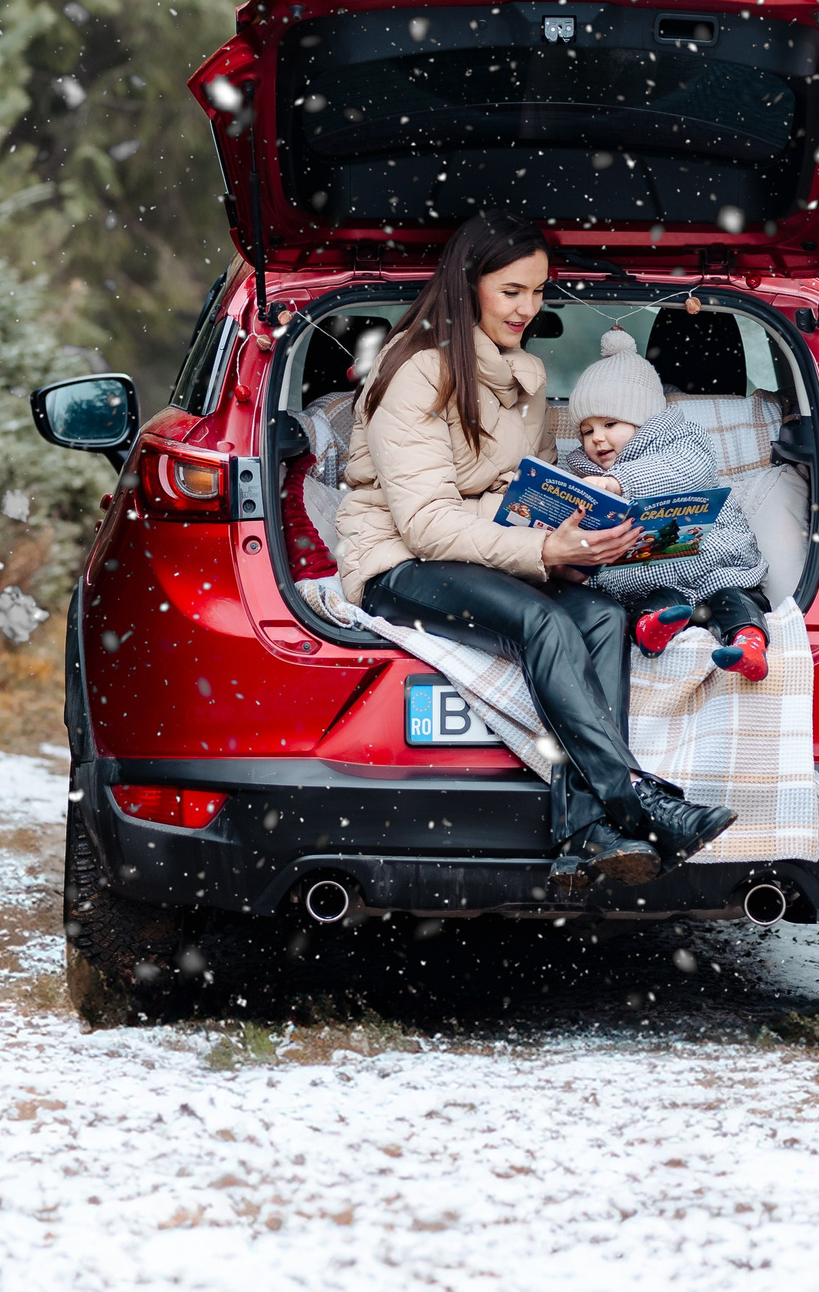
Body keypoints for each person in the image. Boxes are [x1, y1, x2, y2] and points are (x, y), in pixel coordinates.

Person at [331, 215, 738, 895]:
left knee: (602, 614)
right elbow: (425, 524)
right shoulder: (416, 371)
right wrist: (543, 548)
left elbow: (529, 494)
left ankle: (587, 836)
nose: (529, 308)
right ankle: (634, 799)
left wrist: (578, 543)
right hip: (397, 561)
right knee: (543, 622)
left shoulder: (526, 378)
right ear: (468, 285)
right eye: (512, 290)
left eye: (540, 291)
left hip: (487, 553)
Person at [563, 329, 775, 680]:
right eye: (587, 431)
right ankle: (652, 628)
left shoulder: (683, 441)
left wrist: (618, 483)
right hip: (645, 581)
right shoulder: (583, 474)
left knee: (736, 600)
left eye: (610, 424)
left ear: (643, 421)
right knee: (655, 603)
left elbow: (682, 471)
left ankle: (748, 644)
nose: (597, 438)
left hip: (714, 563)